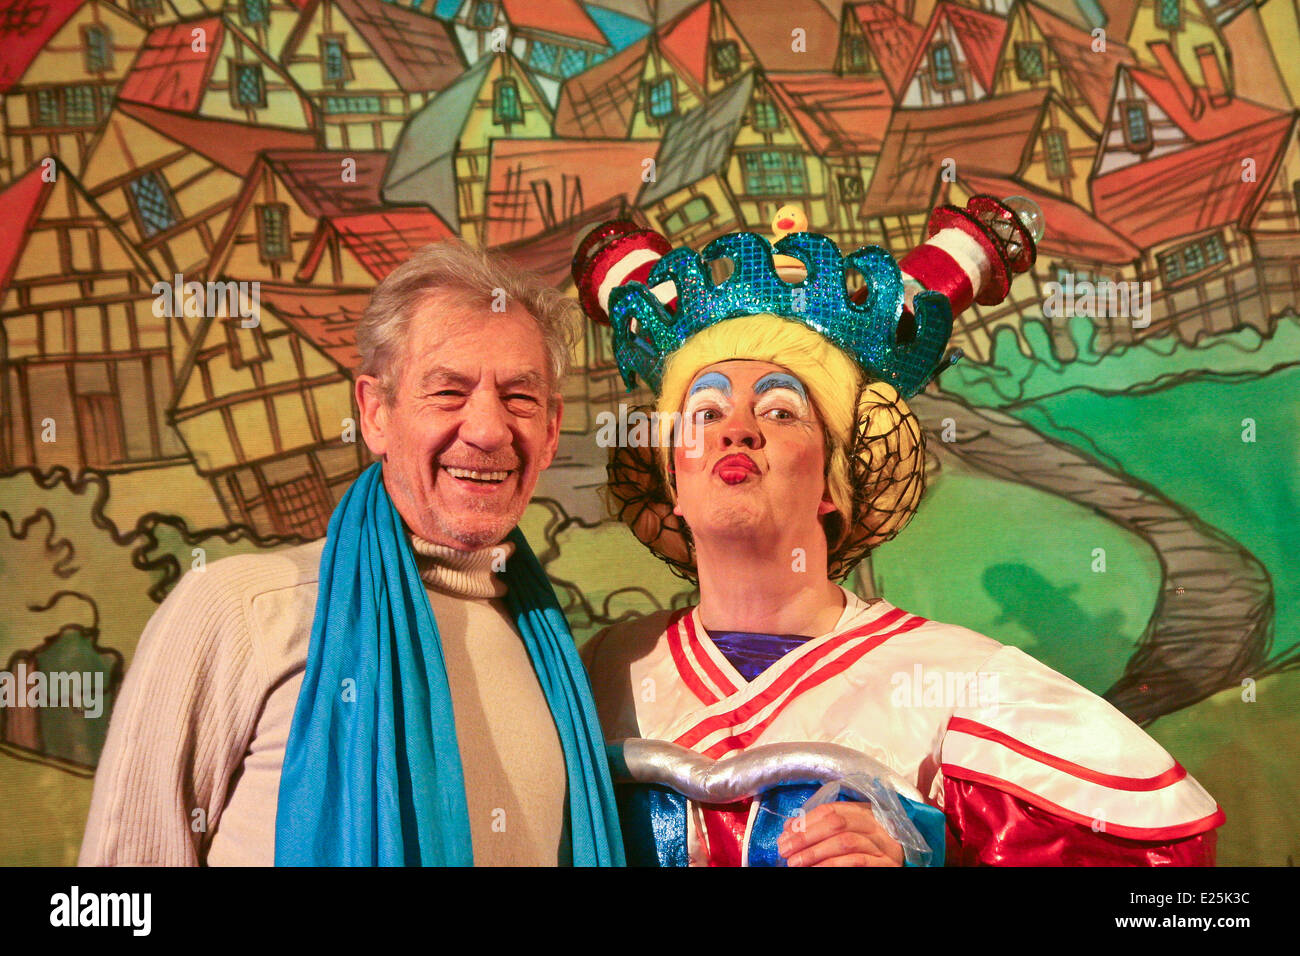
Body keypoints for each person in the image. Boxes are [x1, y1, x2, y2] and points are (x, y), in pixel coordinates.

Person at [573, 206, 1224, 867]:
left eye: (779, 410)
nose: (735, 431)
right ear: (670, 485)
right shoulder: (598, 672)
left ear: (836, 480)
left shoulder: (954, 681)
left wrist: (919, 855)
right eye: (705, 411)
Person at [80, 240, 623, 866]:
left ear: (551, 431)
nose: (487, 429)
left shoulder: (556, 658)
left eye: (519, 398)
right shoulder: (239, 613)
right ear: (375, 413)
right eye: (448, 392)